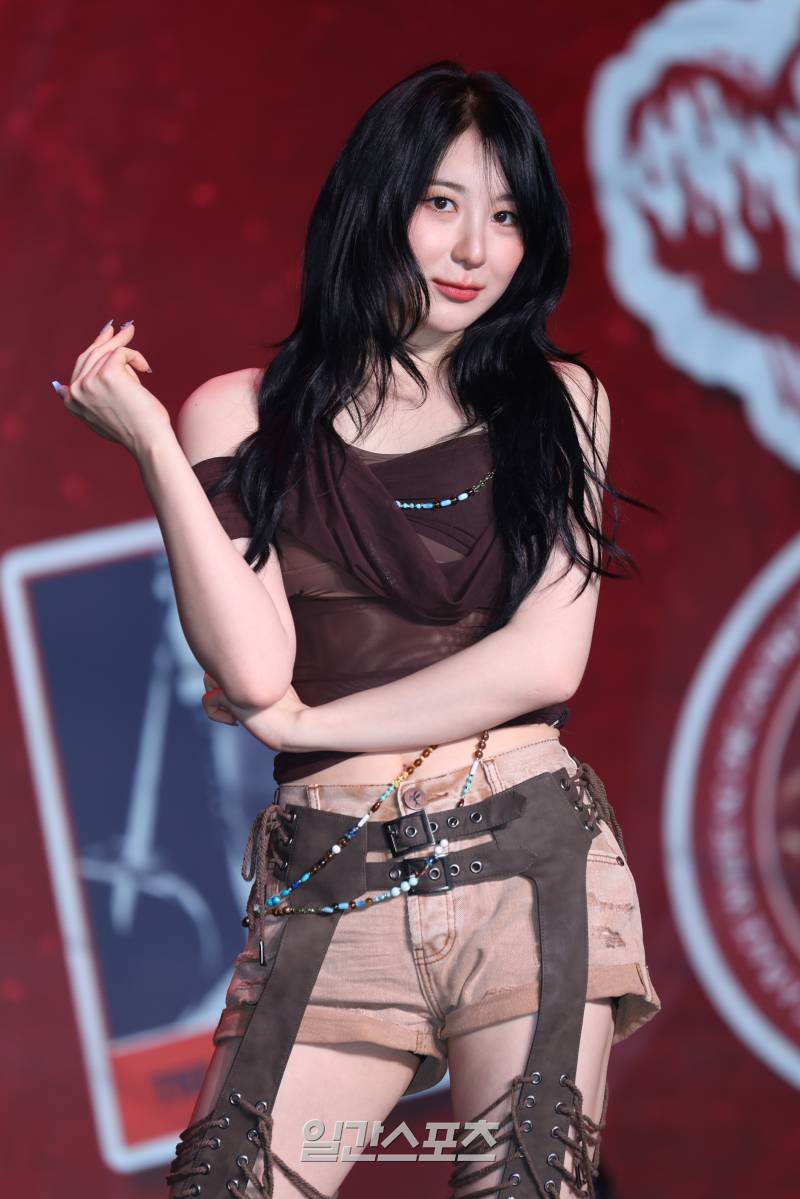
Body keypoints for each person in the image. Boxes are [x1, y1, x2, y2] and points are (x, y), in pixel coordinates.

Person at [55, 59, 661, 1199]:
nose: (473, 249)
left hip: (528, 861)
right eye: (441, 203)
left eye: (506, 216)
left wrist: (304, 723)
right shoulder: (239, 413)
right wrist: (151, 444)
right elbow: (252, 668)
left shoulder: (560, 402)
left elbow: (544, 659)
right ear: (376, 203)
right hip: (333, 874)